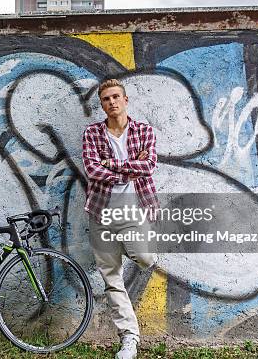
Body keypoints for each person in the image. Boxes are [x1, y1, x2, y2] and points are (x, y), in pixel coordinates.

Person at [82, 78, 159, 359]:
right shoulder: (92, 134)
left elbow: (149, 165)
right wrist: (129, 167)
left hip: (133, 210)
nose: (112, 102)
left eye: (116, 96)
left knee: (145, 258)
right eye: (106, 99)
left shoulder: (144, 131)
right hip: (101, 212)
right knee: (111, 277)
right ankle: (129, 339)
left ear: (125, 100)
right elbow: (92, 169)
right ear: (101, 105)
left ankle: (134, 247)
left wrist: (111, 164)